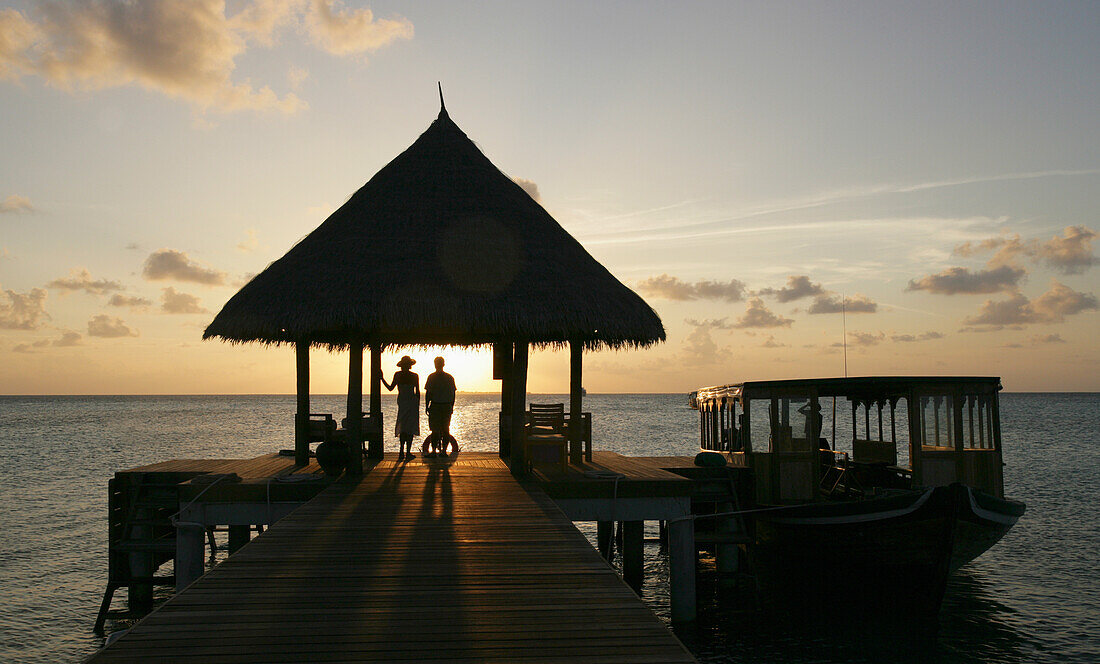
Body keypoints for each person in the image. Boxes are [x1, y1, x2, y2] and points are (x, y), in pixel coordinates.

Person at [380, 356, 420, 460]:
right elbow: (418, 392)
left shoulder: (398, 375)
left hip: (402, 402)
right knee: (410, 428)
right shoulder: (414, 376)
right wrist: (417, 404)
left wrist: (382, 378)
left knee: (403, 427)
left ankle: (402, 452)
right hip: (412, 403)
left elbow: (390, 388)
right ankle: (407, 452)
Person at [423, 356, 457, 457]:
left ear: (435, 364)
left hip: (436, 405)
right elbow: (453, 394)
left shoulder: (431, 377)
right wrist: (451, 405)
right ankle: (444, 451)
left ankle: (434, 451)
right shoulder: (450, 377)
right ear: (443, 364)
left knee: (435, 429)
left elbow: (428, 393)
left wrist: (426, 406)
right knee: (446, 428)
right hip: (446, 405)